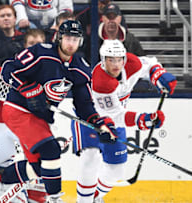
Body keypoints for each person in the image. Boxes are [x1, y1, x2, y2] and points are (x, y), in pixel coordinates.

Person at [0, 20, 117, 203]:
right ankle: (54, 198)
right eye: (68, 38)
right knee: (51, 149)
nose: (71, 43)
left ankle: (2, 178)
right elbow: (8, 69)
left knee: (40, 167)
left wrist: (99, 124)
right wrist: (26, 88)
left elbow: (84, 105)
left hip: (40, 118)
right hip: (18, 109)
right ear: (60, 38)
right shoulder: (41, 53)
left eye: (76, 39)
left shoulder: (80, 68)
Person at [71, 39, 177, 203]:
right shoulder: (101, 82)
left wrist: (159, 75)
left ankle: (95, 197)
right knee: (90, 157)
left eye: (119, 59)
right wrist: (145, 120)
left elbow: (149, 64)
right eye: (111, 60)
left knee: (116, 171)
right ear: (103, 60)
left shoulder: (132, 63)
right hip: (91, 119)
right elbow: (116, 116)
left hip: (114, 119)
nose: (116, 64)